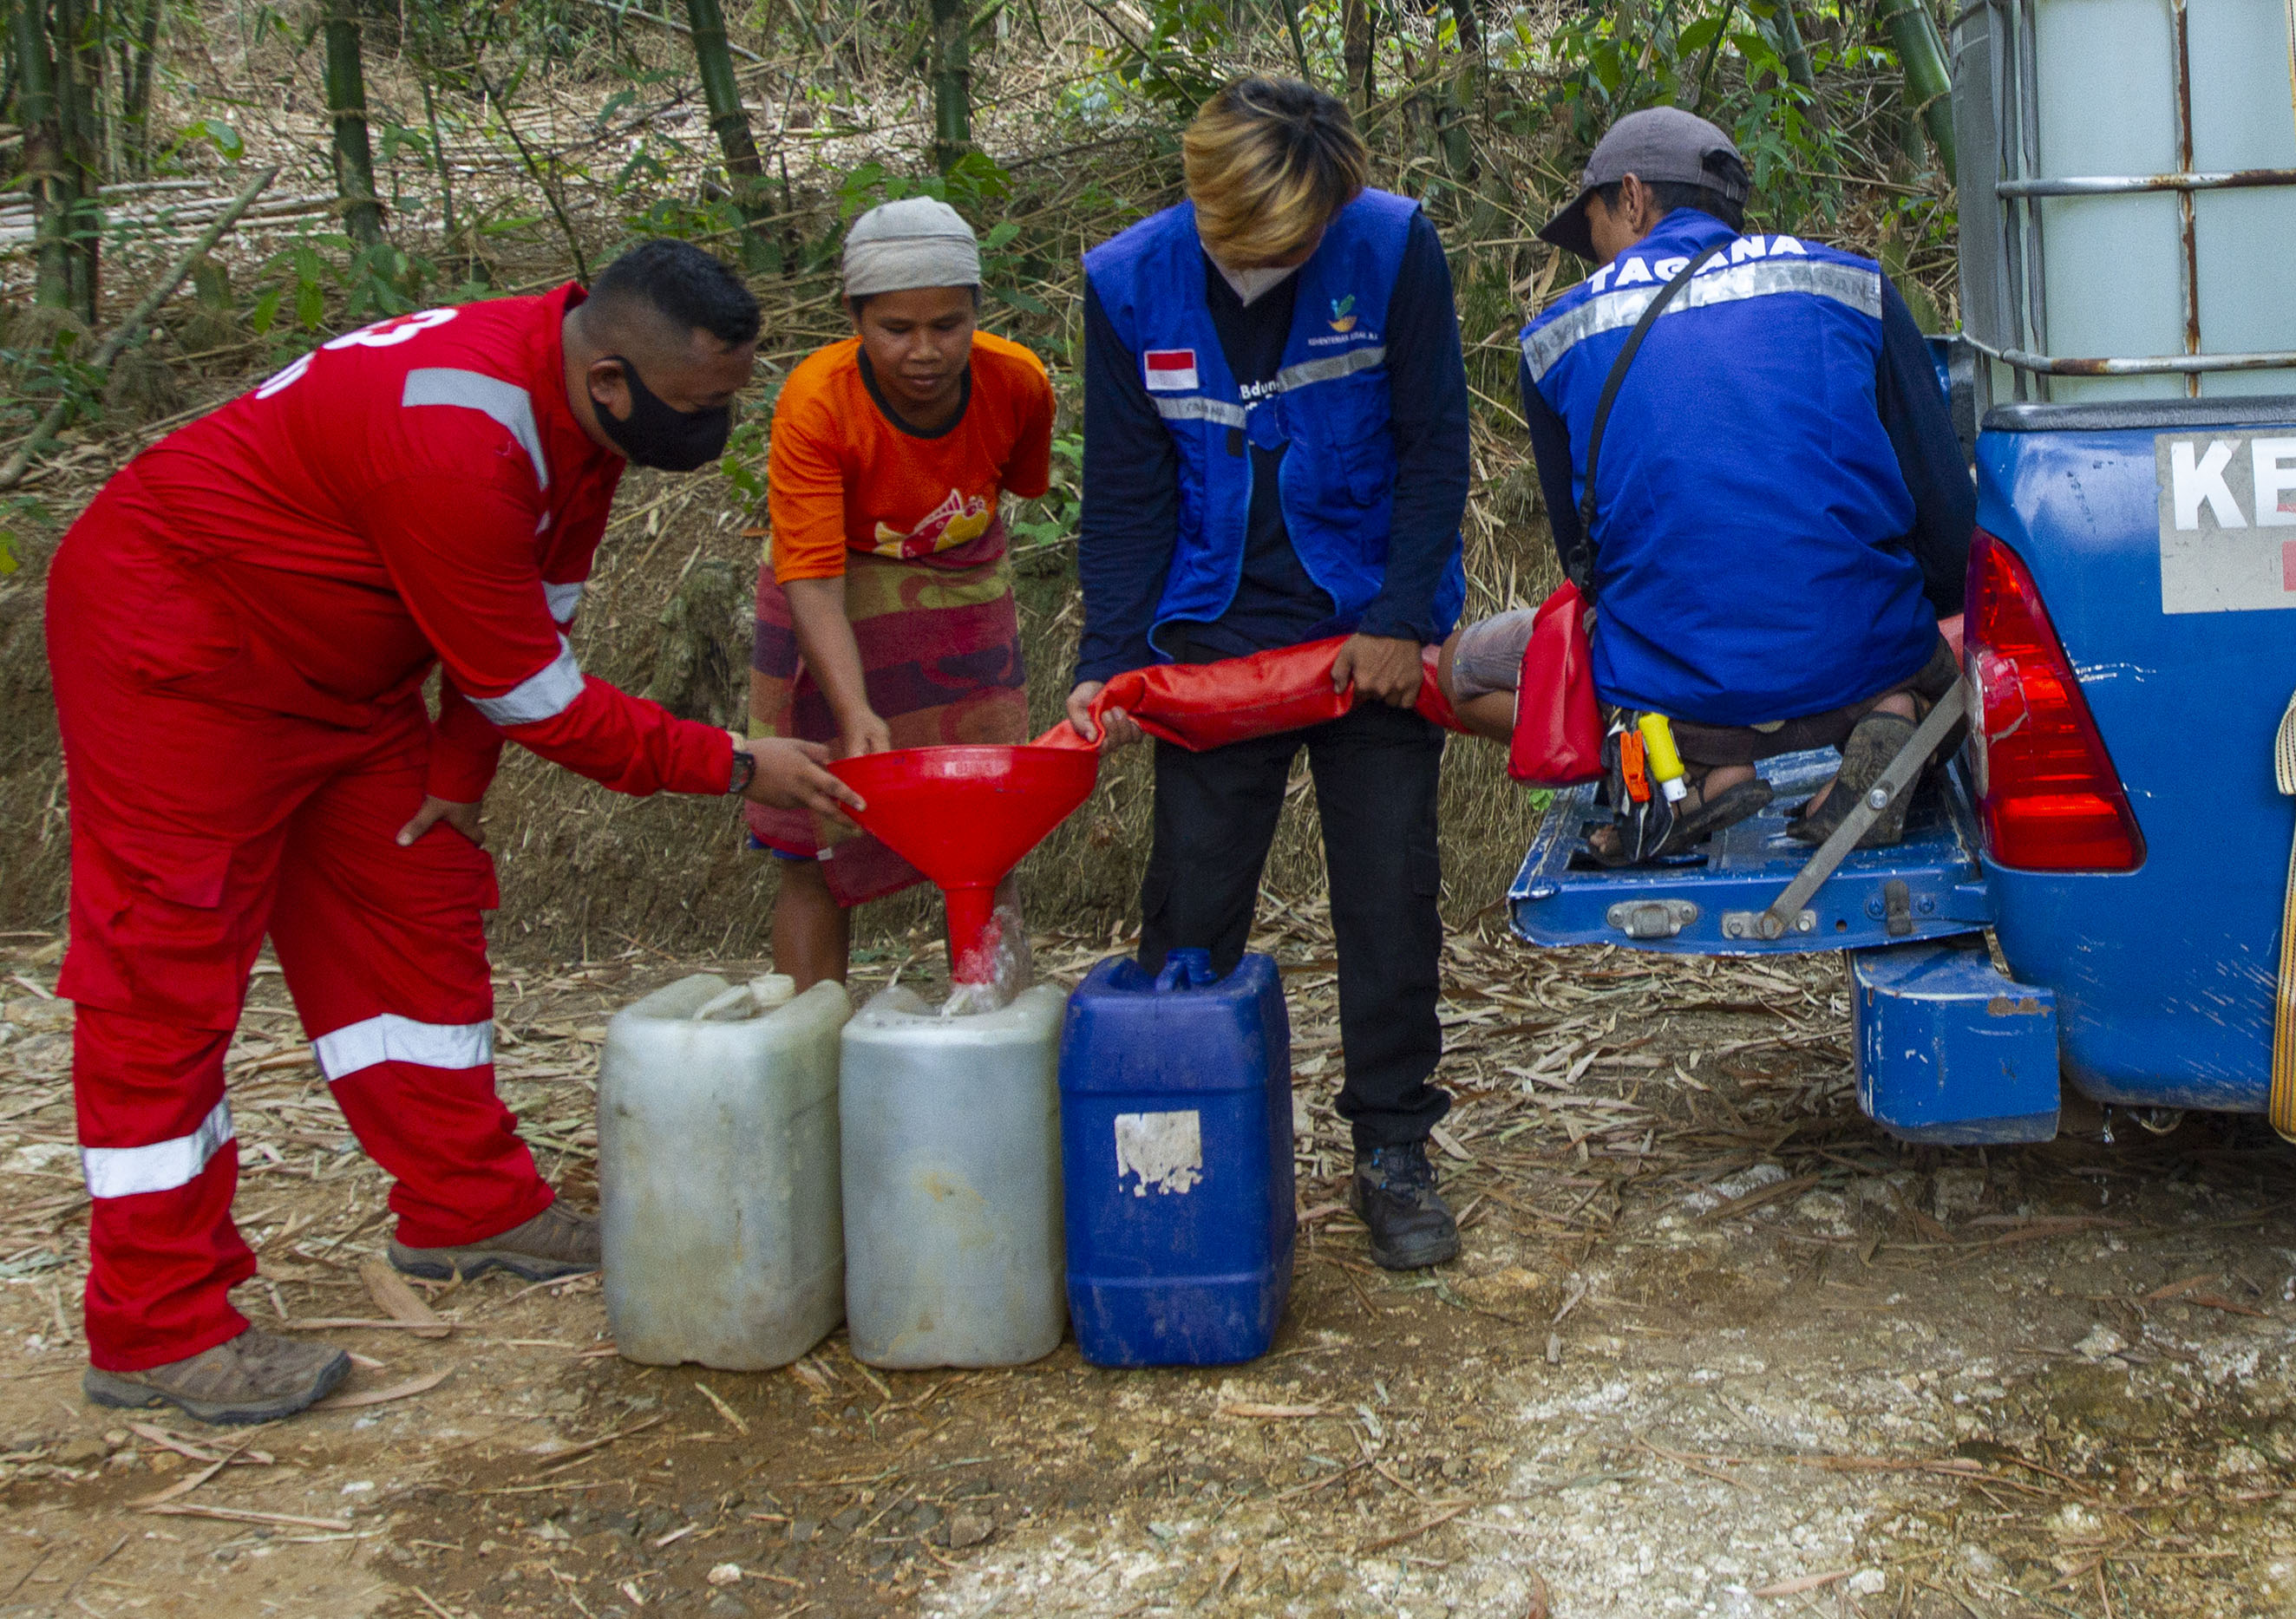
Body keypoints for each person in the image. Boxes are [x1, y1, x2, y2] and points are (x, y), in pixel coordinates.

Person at [48, 240, 859, 1425]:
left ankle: (467, 1205)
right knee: (161, 975)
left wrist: (455, 769)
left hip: (347, 674)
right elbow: (539, 694)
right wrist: (735, 760)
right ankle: (154, 1323)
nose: (719, 423)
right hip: (181, 648)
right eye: (703, 403)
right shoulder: (457, 440)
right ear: (615, 378)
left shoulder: (578, 407)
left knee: (414, 903)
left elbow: (539, 615)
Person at [1068, 79, 1471, 1270]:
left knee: (1389, 894)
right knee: (1192, 900)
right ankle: (1171, 1134)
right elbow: (1128, 495)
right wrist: (1112, 658)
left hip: (1365, 635)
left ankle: (1393, 1147)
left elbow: (1434, 440)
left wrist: (1401, 616)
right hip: (1214, 636)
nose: (1274, 259)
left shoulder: (1390, 244)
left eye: (1297, 239)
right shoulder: (1128, 281)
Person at [1519, 107, 1975, 844]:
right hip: (1858, 656)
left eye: (1594, 231)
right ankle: (1893, 711)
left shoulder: (1555, 340)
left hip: (1682, 685)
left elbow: (1585, 557)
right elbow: (1947, 513)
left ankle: (1700, 775)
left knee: (1626, 641)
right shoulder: (1848, 286)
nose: (1594, 262)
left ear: (1632, 197)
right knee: (1895, 645)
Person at [750, 198, 1056, 989]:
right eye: (896, 329)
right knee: (813, 829)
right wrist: (854, 710)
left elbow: (1012, 486)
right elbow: (812, 573)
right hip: (829, 584)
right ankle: (810, 1041)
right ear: (854, 316)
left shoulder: (1017, 381)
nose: (924, 351)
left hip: (958, 583)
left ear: (978, 312)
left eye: (947, 325)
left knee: (987, 821)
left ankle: (996, 1014)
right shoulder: (816, 402)